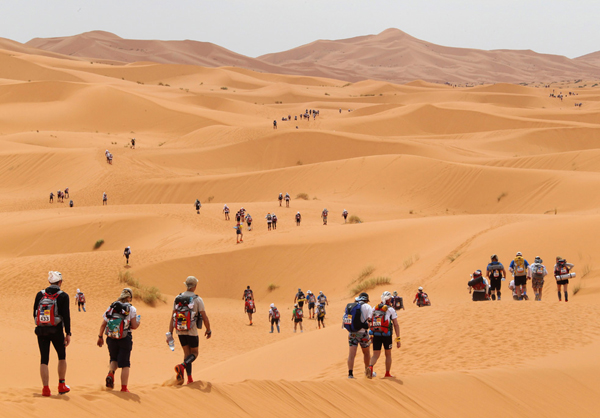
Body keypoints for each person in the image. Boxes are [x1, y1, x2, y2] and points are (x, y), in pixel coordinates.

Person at [34, 271, 71, 396]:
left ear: (49, 282)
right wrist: (68, 333)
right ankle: (61, 385)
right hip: (57, 331)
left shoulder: (40, 294)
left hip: (41, 330)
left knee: (44, 359)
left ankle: (45, 389)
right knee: (61, 356)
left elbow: (34, 313)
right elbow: (66, 316)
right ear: (59, 282)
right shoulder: (63, 296)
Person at [169, 276, 211, 385]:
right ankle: (182, 366)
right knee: (195, 353)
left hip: (179, 330)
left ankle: (189, 379)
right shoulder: (197, 299)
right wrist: (208, 329)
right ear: (195, 286)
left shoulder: (177, 298)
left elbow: (172, 316)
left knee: (186, 354)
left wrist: (170, 333)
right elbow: (204, 317)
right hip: (191, 331)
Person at [97, 288, 139, 393]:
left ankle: (111, 373)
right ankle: (124, 388)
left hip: (111, 337)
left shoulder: (112, 307)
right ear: (129, 297)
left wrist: (100, 336)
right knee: (125, 364)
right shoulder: (132, 309)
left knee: (113, 359)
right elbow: (134, 326)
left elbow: (103, 323)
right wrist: (138, 321)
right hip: (125, 338)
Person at [369, 291, 401, 378]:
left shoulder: (374, 308)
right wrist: (398, 339)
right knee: (388, 354)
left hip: (376, 334)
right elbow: (396, 324)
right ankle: (387, 373)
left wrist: (371, 335)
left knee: (375, 354)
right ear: (389, 299)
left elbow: (370, 321)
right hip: (387, 335)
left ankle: (370, 367)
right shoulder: (391, 309)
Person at [343, 292, 373, 379]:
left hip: (352, 333)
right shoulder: (367, 307)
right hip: (363, 333)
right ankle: (367, 372)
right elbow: (370, 321)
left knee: (351, 354)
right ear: (366, 300)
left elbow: (345, 319)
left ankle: (350, 374)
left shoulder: (351, 306)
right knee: (366, 352)